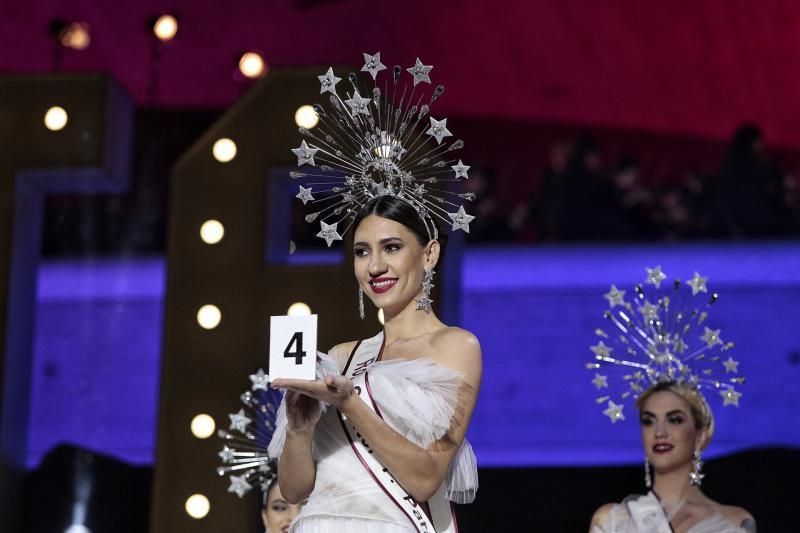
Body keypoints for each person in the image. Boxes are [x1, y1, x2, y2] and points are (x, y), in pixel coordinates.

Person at [269, 195, 482, 532]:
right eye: (362, 251)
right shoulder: (341, 357)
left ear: (430, 254)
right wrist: (299, 427)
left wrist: (350, 404)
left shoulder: (455, 346)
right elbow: (295, 490)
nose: (375, 266)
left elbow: (425, 480)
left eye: (392, 247)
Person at [589, 383, 755, 532]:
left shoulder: (733, 522)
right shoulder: (612, 520)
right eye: (648, 421)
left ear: (699, 436)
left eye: (674, 420)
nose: (659, 432)